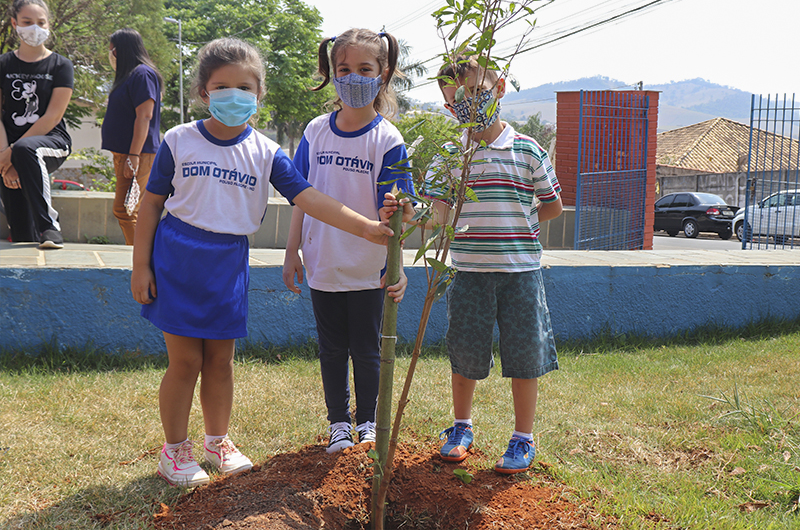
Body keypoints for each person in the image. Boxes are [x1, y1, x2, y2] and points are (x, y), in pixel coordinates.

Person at [131, 37, 395, 487]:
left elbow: (310, 197)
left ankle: (217, 441)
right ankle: (174, 451)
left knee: (220, 362)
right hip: (179, 259)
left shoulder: (267, 152)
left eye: (245, 88)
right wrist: (141, 266)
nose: (234, 96)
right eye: (222, 86)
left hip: (230, 262)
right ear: (203, 93)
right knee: (185, 363)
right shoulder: (179, 140)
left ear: (259, 95)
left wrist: (367, 228)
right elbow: (151, 204)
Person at [402, 55, 563, 474]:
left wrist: (517, 226)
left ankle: (523, 437)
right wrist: (410, 213)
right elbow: (437, 213)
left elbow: (553, 206)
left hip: (521, 276)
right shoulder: (451, 155)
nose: (469, 102)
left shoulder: (528, 150)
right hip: (468, 274)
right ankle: (461, 426)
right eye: (458, 98)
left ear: (500, 87)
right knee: (465, 351)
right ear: (447, 106)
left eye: (477, 91)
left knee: (526, 354)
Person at [282, 29, 415, 454]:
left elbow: (395, 215)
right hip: (322, 262)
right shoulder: (316, 132)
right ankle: (339, 424)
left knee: (367, 350)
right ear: (331, 73)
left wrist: (399, 263)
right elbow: (300, 196)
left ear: (383, 74)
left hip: (368, 268)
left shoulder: (388, 140)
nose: (354, 77)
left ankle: (368, 423)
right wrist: (291, 252)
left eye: (364, 69)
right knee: (331, 350)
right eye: (344, 69)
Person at [0, 0, 74, 248]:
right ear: (14, 24)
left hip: (51, 143)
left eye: (41, 23)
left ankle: (50, 227)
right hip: (8, 149)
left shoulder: (60, 65)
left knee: (26, 149)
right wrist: (5, 158)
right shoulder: (3, 64)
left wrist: (11, 153)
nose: (35, 28)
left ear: (49, 25)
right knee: (20, 233)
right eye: (27, 22)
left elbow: (52, 117)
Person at [101, 28, 163, 245]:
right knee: (130, 209)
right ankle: (141, 259)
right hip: (127, 153)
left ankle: (143, 261)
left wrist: (133, 156)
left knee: (127, 210)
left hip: (137, 153)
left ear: (122, 50)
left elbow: (145, 116)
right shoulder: (131, 76)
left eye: (112, 50)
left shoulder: (142, 74)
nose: (111, 55)